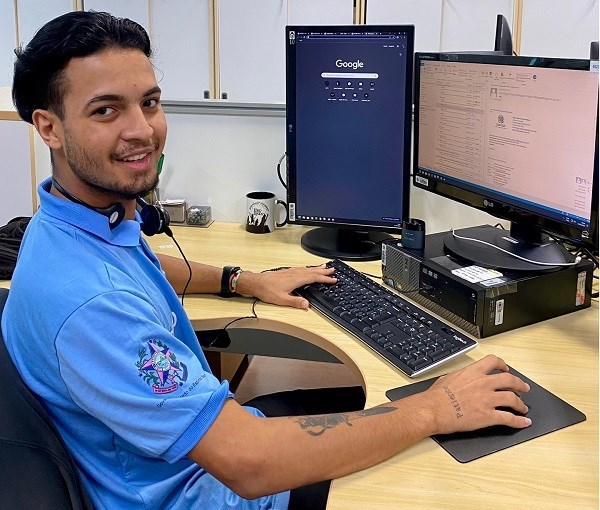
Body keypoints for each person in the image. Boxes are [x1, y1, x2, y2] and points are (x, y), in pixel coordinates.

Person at [3, 11, 532, 510]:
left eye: (149, 102)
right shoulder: (92, 305)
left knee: (344, 406)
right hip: (196, 491)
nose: (142, 129)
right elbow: (249, 463)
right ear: (49, 128)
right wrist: (435, 407)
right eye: (105, 110)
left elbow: (142, 266)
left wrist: (243, 280)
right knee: (443, 476)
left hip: (194, 458)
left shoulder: (70, 226)